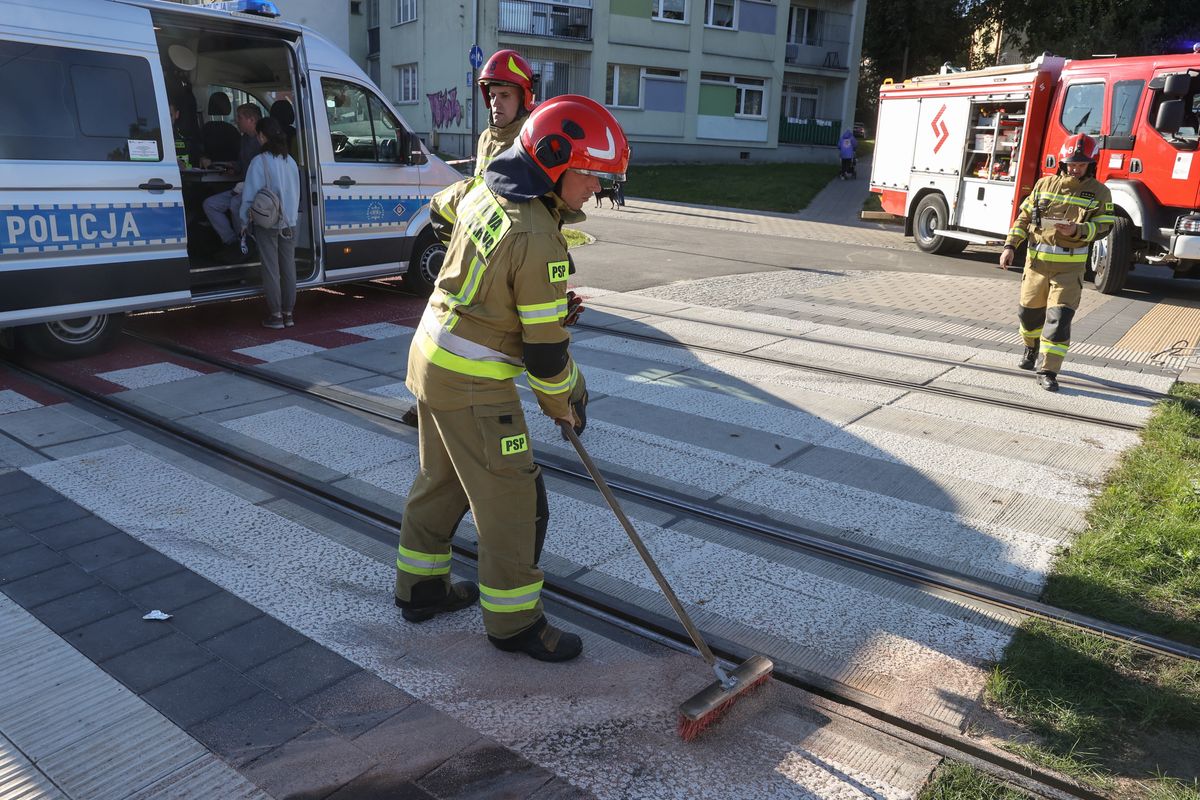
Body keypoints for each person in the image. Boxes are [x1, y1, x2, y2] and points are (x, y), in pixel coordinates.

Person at [394, 95, 629, 663]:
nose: (596, 189)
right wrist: (569, 401)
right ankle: (515, 623)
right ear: (554, 164)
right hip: (472, 380)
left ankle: (420, 587)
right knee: (512, 498)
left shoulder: (486, 188)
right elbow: (546, 360)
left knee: (443, 480)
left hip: (430, 355)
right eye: (592, 176)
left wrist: (501, 288)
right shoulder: (540, 237)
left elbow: (443, 207)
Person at [999, 133, 1115, 391]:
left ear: (1091, 164)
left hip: (1069, 270)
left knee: (1059, 319)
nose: (1074, 168)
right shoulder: (1043, 185)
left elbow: (1105, 226)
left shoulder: (1100, 192)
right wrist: (1009, 246)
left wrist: (1078, 230)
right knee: (1028, 315)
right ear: (1063, 162)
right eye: (1071, 163)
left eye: (1081, 164)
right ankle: (1031, 349)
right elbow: (1023, 218)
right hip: (1036, 265)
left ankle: (1048, 370)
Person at [238, 117, 300, 330]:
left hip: (268, 223)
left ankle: (275, 315)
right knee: (288, 267)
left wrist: (244, 220)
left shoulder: (259, 161)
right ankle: (289, 314)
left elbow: (249, 195)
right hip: (290, 222)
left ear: (262, 136)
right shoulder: (290, 161)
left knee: (271, 269)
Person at [202, 103, 263, 260]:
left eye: (240, 117)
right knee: (210, 204)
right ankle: (232, 242)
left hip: (257, 188)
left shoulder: (262, 140)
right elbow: (243, 164)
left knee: (236, 203)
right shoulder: (244, 139)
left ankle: (248, 243)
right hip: (242, 186)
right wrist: (232, 166)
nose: (236, 121)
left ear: (251, 119)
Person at [475, 49, 536, 176]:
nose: (495, 104)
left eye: (504, 95)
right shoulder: (485, 138)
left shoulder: (534, 142)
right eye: (492, 96)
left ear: (524, 99)